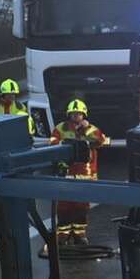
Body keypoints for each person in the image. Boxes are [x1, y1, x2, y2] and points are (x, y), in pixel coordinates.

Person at [49, 99, 108, 247]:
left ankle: (79, 235)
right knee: (63, 206)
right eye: (74, 114)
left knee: (81, 207)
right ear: (69, 114)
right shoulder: (61, 128)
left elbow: (101, 141)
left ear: (84, 115)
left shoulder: (91, 129)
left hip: (84, 174)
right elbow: (53, 144)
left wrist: (86, 130)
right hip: (65, 173)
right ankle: (62, 235)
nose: (76, 116)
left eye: (79, 114)